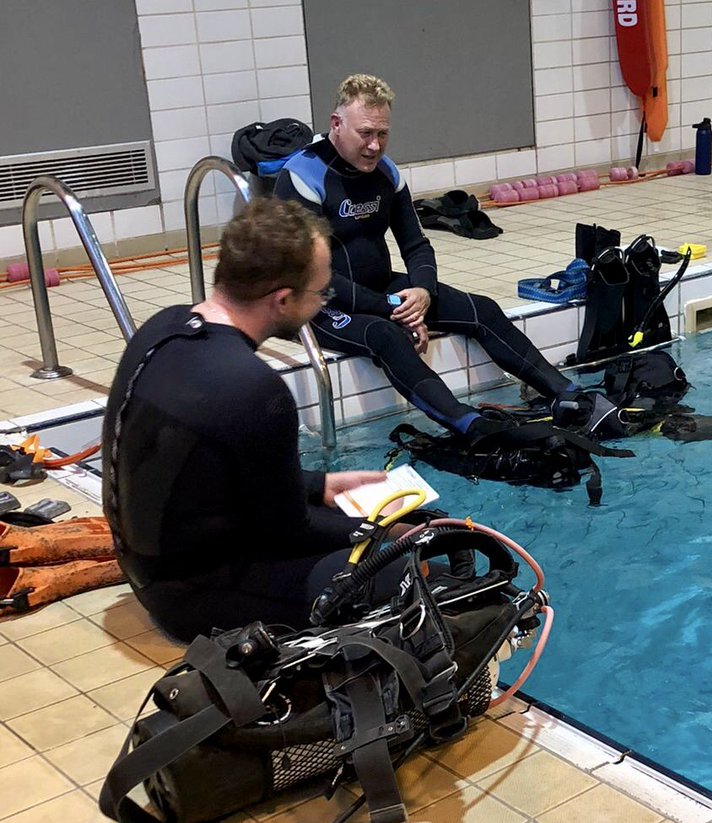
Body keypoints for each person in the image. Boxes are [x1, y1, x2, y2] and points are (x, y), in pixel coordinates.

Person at [102, 197, 406, 641]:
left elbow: (208, 478)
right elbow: (290, 533)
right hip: (197, 603)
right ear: (283, 299)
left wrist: (319, 486)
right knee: (414, 568)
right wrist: (384, 530)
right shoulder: (254, 388)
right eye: (321, 293)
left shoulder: (164, 328)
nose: (323, 303)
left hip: (152, 573)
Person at [273, 73, 595, 439]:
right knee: (385, 335)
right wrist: (393, 308)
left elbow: (415, 245)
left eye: (383, 134)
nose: (375, 146)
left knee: (483, 309)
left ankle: (569, 395)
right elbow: (315, 274)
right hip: (320, 303)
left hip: (380, 292)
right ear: (336, 124)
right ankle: (471, 425)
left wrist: (422, 292)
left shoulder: (386, 173)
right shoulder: (302, 176)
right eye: (365, 133)